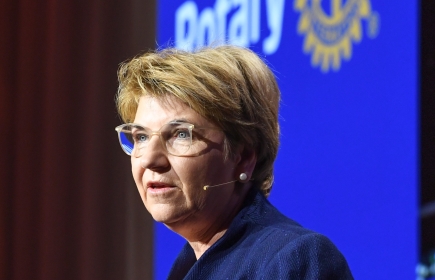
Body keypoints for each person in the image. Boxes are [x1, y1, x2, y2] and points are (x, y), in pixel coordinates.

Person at [114, 45, 353, 279]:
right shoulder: (184, 268)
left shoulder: (295, 260)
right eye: (141, 137)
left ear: (244, 159)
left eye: (181, 134)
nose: (149, 159)